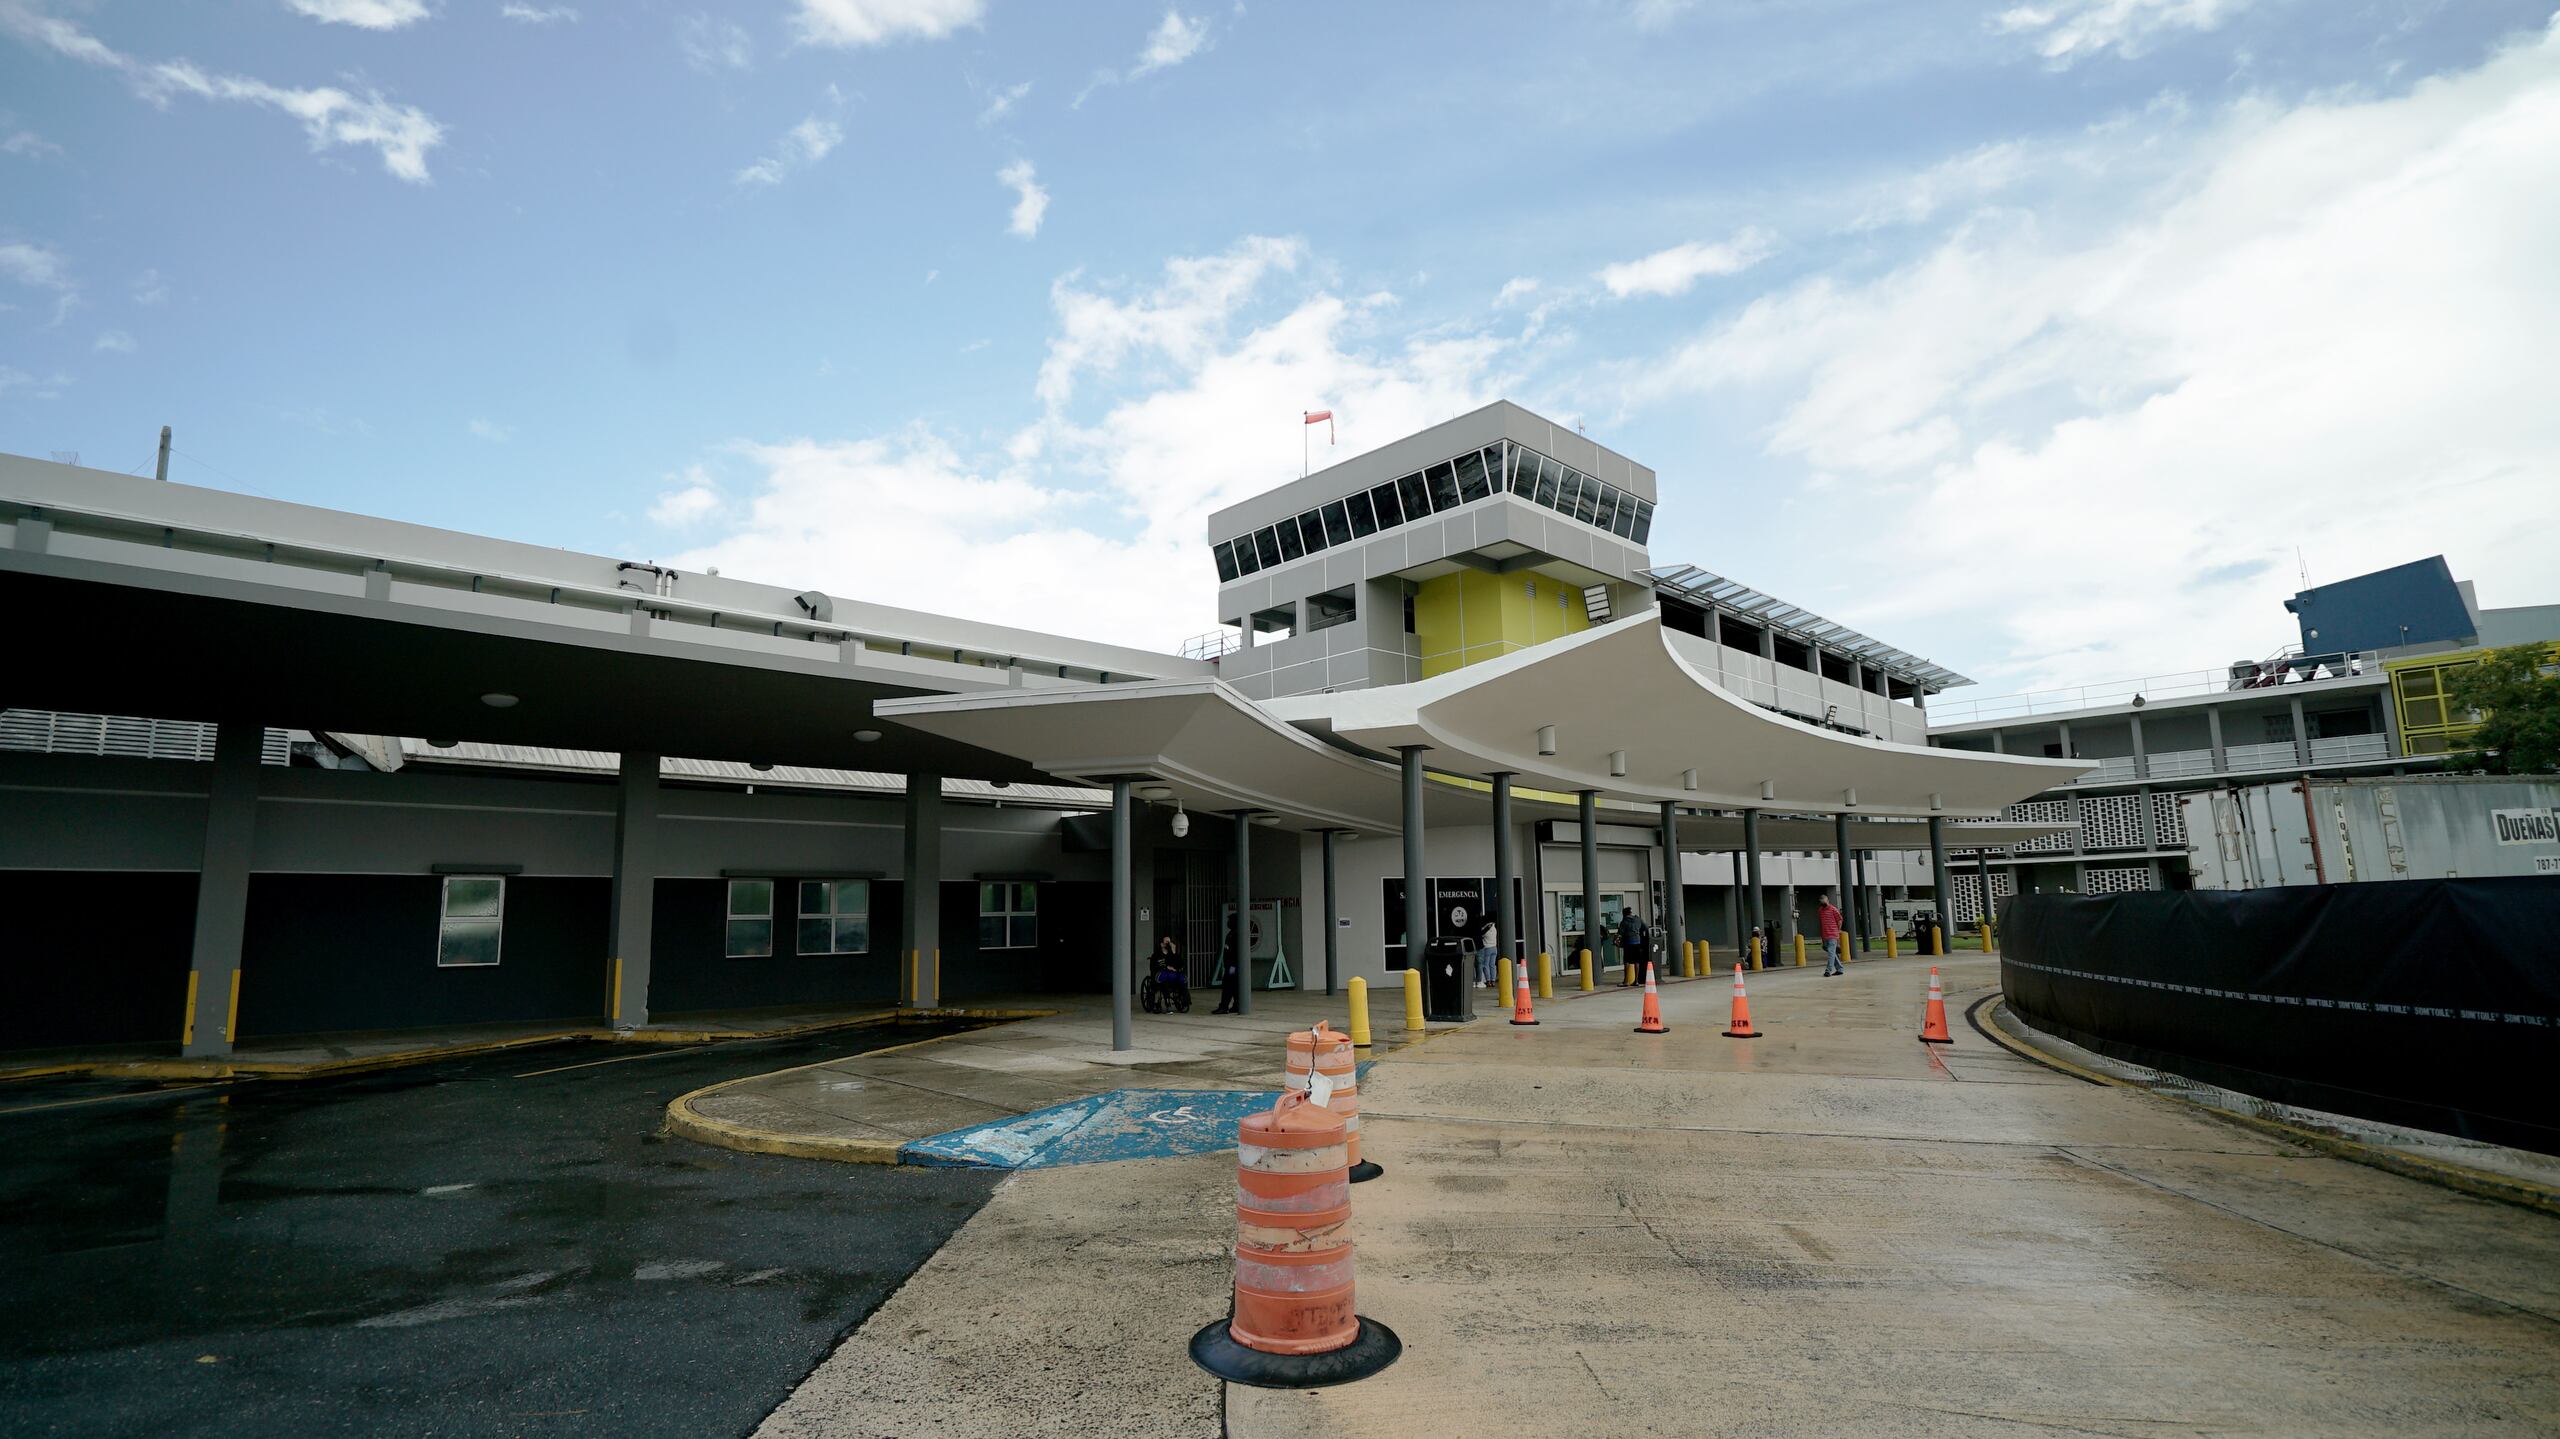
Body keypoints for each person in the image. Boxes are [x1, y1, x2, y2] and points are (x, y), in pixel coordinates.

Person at [1617, 907, 1651, 986]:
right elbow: (1645, 927)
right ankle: (1636, 981)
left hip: (1628, 943)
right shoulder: (1638, 919)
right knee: (1637, 961)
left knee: (1627, 961)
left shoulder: (1624, 921)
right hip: (1637, 942)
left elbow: (1620, 933)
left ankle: (1626, 981)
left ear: (1624, 913)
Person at [1210, 930, 1241, 1014]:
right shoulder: (1232, 933)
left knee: (1228, 983)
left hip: (1232, 966)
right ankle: (1237, 1005)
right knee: (1233, 985)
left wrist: (1231, 965)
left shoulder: (1236, 934)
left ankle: (1224, 1006)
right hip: (1230, 964)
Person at [1818, 891, 1845, 976]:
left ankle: (1828, 971)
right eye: (1821, 902)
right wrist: (1822, 937)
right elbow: (1821, 923)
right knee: (1832, 953)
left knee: (1831, 953)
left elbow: (1840, 920)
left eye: (1824, 901)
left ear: (1827, 900)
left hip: (1833, 934)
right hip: (1825, 935)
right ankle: (1840, 969)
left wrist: (1838, 930)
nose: (1823, 903)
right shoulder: (1820, 910)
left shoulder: (1833, 909)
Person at [1477, 919, 1499, 988]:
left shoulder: (1486, 930)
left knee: (1485, 965)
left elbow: (1481, 934)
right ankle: (1493, 981)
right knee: (1492, 965)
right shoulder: (1494, 929)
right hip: (1494, 948)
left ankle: (1488, 981)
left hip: (1487, 948)